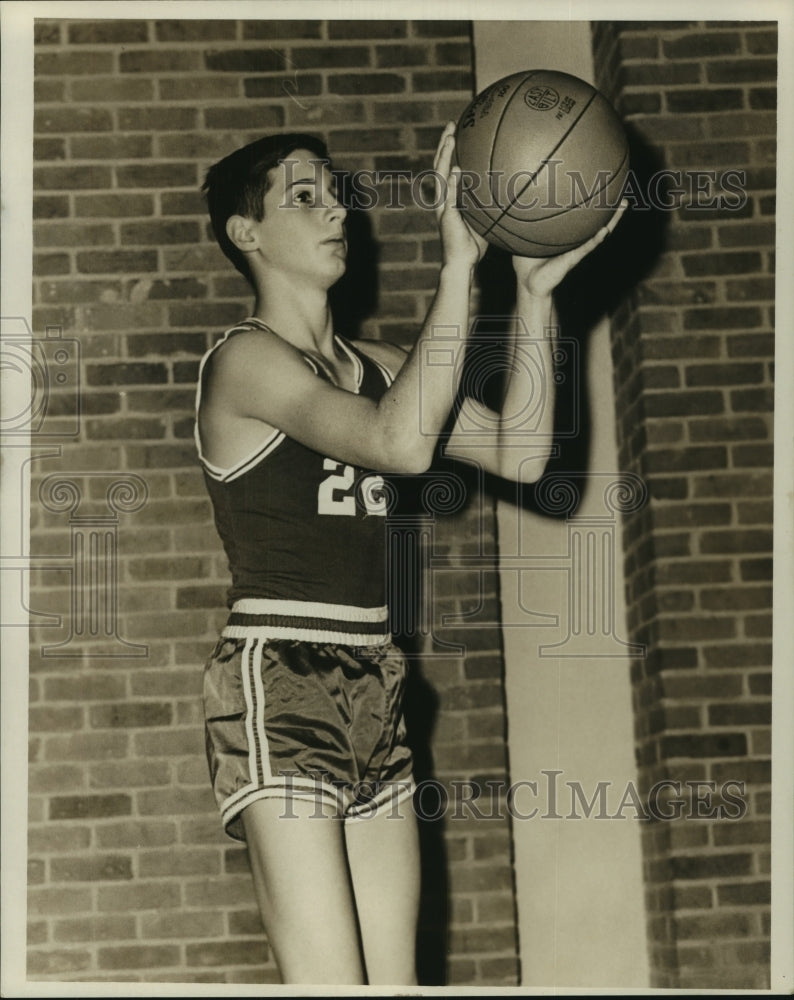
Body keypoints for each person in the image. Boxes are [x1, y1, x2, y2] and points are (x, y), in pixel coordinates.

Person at [195, 123, 625, 985]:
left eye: (336, 191)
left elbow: (523, 454)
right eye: (303, 195)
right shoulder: (245, 361)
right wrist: (459, 266)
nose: (336, 209)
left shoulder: (385, 363)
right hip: (280, 672)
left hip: (377, 680)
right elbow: (398, 445)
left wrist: (535, 294)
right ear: (247, 235)